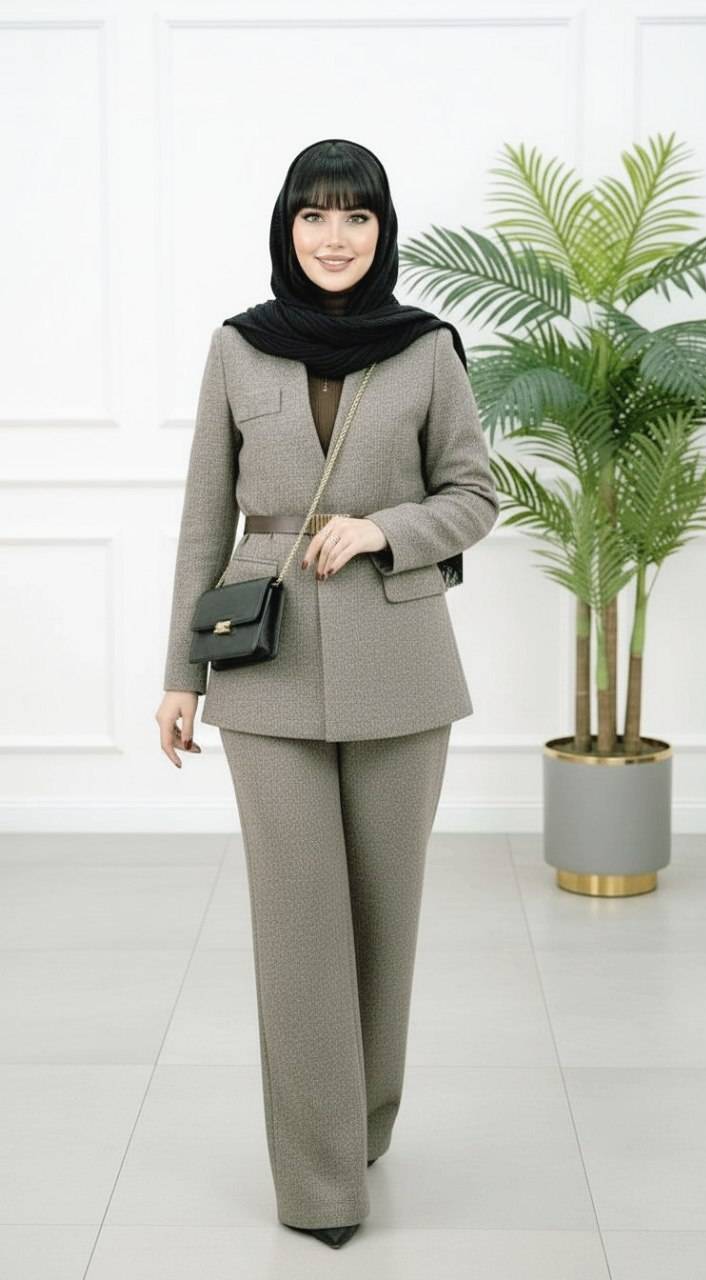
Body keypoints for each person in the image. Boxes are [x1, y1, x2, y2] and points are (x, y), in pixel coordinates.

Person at [155, 138, 500, 1249]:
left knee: (382, 924)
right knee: (298, 926)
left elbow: (473, 494)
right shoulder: (236, 346)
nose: (334, 236)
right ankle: (319, 1184)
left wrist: (382, 529)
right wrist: (179, 675)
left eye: (355, 216)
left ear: (381, 230)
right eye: (314, 215)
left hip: (402, 669)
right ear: (286, 227)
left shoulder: (426, 349)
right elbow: (203, 518)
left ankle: (361, 1125)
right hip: (264, 671)